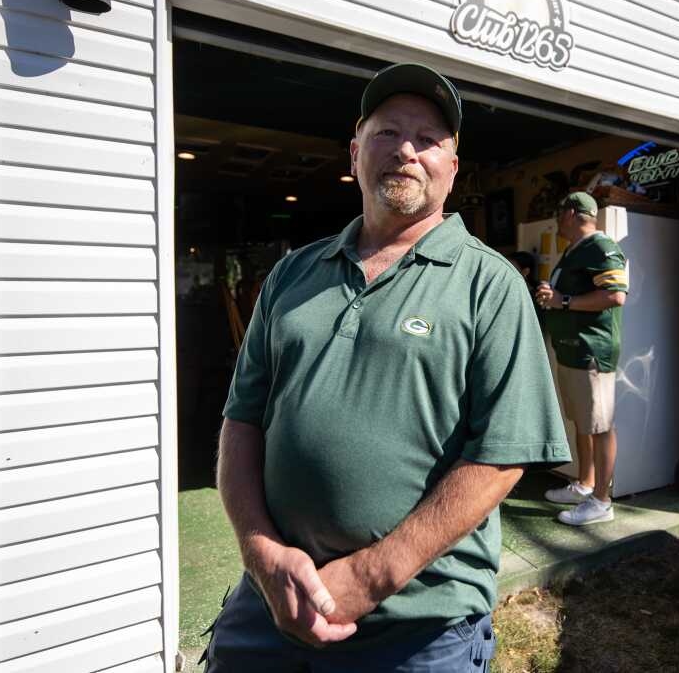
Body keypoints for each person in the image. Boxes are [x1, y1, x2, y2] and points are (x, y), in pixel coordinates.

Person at [203, 62, 570, 672]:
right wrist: (261, 554)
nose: (406, 149)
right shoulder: (294, 276)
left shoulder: (490, 283)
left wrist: (372, 574)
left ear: (453, 168)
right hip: (272, 606)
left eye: (428, 140)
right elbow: (242, 423)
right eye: (386, 133)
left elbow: (503, 455)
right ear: (354, 152)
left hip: (419, 625)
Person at [535, 192, 628, 526]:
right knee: (583, 421)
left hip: (592, 350)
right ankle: (585, 484)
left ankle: (603, 500)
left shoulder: (600, 247)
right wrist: (555, 298)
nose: (557, 220)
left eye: (560, 213)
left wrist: (561, 301)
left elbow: (616, 295)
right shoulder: (575, 250)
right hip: (572, 350)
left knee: (600, 425)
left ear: (572, 213)